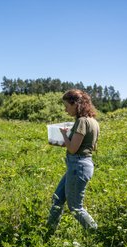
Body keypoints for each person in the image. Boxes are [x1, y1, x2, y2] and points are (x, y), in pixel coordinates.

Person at [46, 89, 100, 236]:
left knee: (76, 207)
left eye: (67, 106)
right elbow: (87, 145)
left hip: (78, 166)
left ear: (76, 104)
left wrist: (63, 134)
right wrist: (64, 141)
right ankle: (48, 231)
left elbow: (74, 148)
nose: (65, 109)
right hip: (81, 164)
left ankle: (96, 232)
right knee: (57, 198)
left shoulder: (82, 121)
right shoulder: (93, 121)